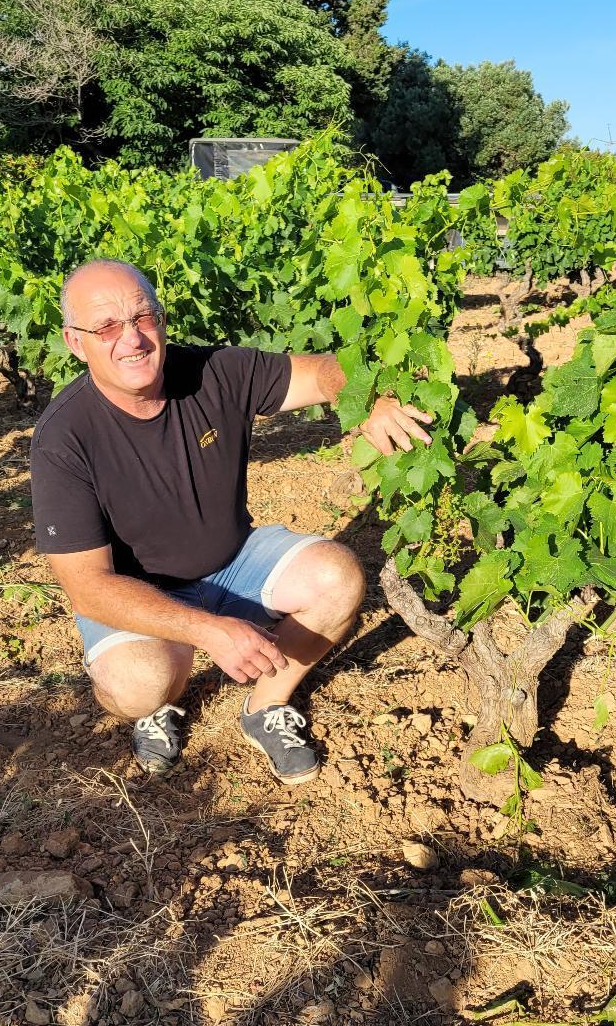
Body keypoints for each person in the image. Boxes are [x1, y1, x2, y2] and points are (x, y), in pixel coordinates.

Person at [30, 259, 432, 785]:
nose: (132, 339)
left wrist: (361, 402)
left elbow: (323, 369)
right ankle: (160, 700)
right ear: (75, 342)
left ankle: (265, 707)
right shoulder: (63, 439)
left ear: (162, 320)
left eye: (143, 317)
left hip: (232, 561)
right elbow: (88, 589)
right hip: (140, 591)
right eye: (106, 326)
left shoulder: (215, 373)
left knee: (338, 578)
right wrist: (207, 632)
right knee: (138, 683)